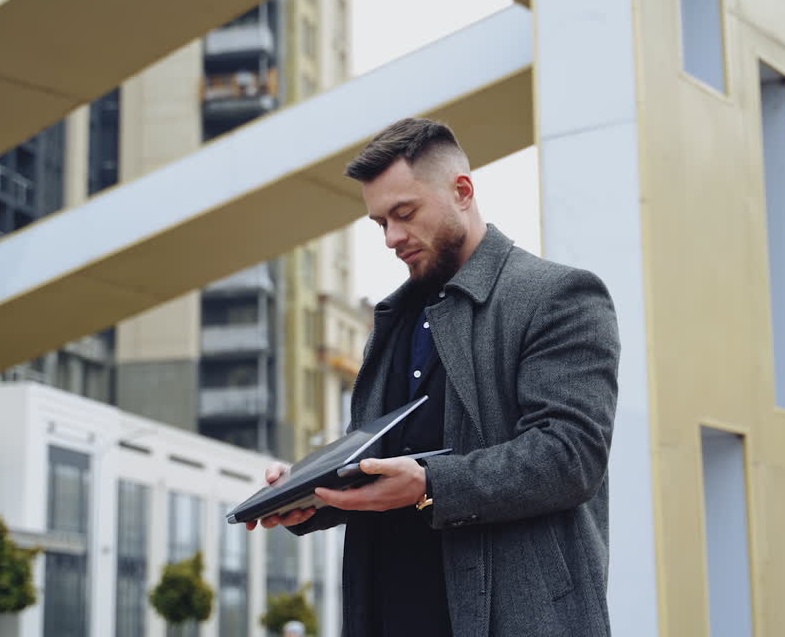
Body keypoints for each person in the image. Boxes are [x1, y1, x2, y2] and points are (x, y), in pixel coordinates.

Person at [247, 117, 620, 636]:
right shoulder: (394, 318)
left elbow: (570, 456)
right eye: (380, 223)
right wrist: (313, 496)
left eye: (404, 213)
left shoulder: (557, 296)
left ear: (462, 191)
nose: (392, 238)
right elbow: (383, 464)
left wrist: (429, 485)